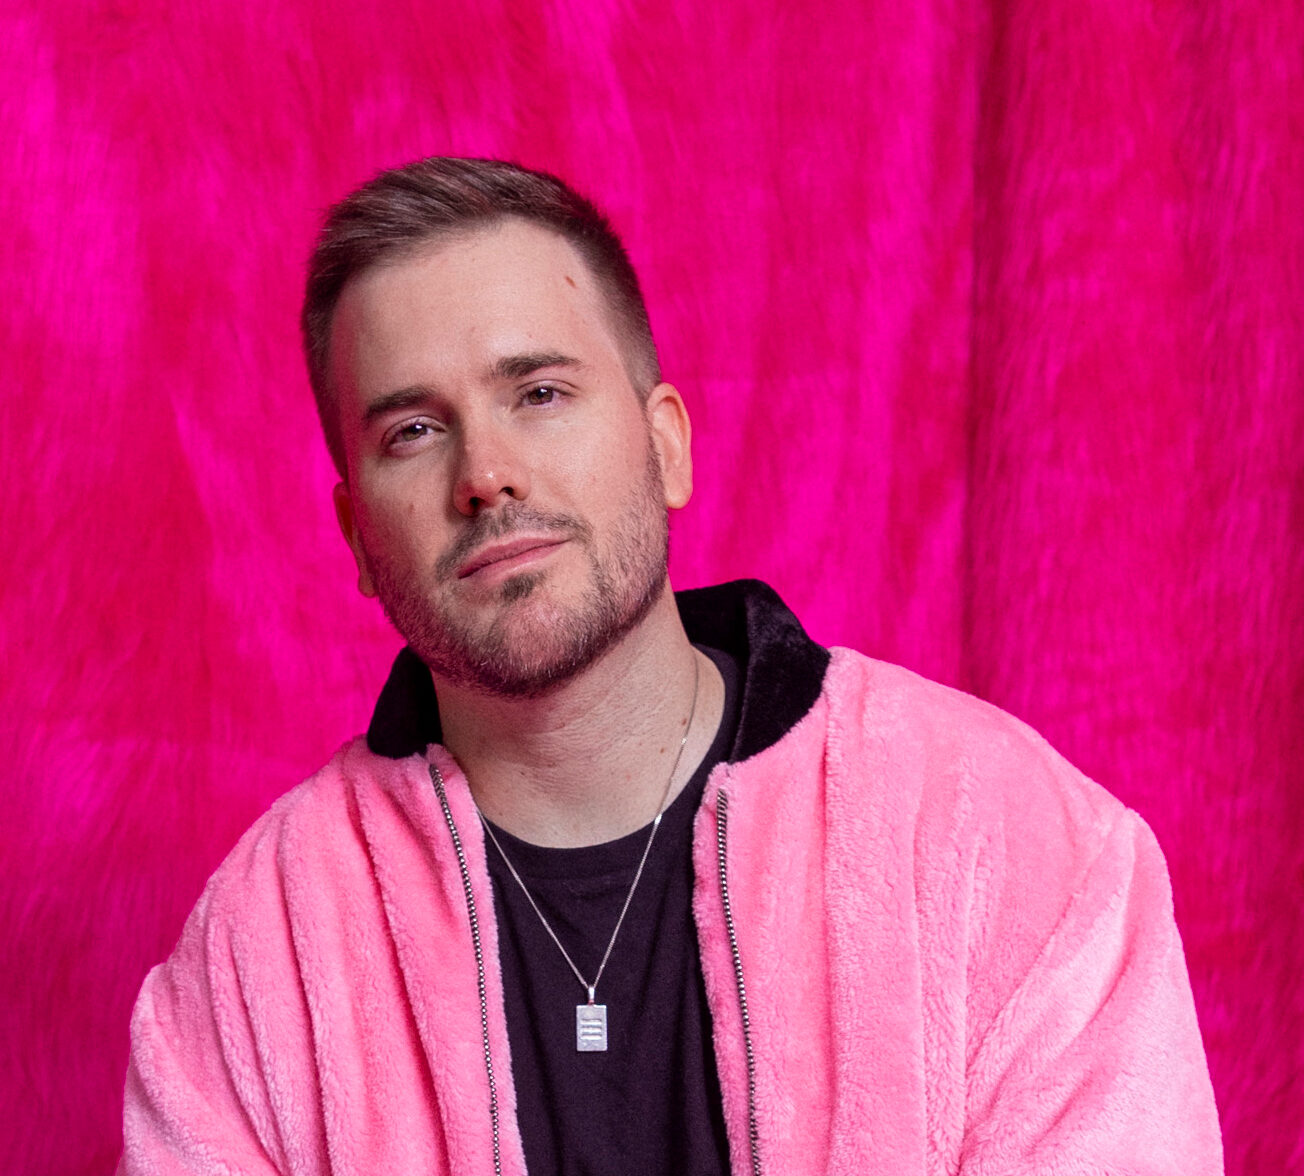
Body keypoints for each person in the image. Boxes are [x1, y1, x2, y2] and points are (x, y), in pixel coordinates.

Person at [119, 157, 1222, 1175]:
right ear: (358, 537)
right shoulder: (260, 954)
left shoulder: (1011, 845)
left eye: (538, 393)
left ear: (667, 446)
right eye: (413, 430)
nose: (486, 474)